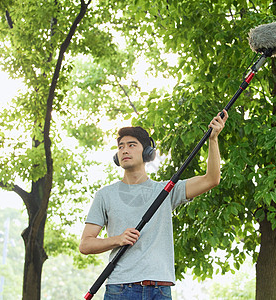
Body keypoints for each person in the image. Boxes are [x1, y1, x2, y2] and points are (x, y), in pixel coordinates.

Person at [79, 110, 228, 300]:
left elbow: (211, 179)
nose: (125, 150)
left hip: (160, 289)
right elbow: (85, 244)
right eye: (121, 146)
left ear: (148, 153)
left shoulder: (166, 190)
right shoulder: (104, 195)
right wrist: (118, 239)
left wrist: (213, 140)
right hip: (120, 288)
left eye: (132, 145)